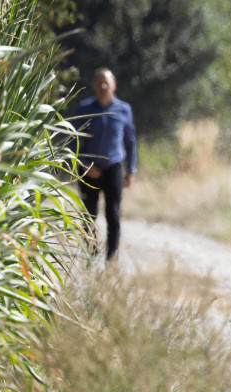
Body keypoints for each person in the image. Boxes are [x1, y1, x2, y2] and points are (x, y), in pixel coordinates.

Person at [72, 68, 137, 260]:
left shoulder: (124, 109)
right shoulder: (84, 109)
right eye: (99, 82)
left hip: (114, 167)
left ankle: (112, 256)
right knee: (88, 214)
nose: (103, 86)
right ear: (94, 85)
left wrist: (131, 170)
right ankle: (90, 254)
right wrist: (83, 163)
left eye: (106, 82)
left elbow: (131, 141)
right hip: (88, 169)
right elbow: (72, 140)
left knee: (113, 213)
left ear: (114, 85)